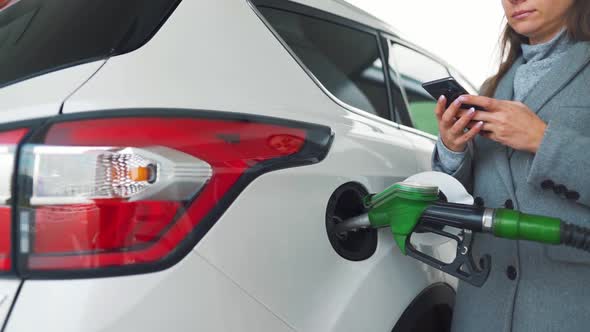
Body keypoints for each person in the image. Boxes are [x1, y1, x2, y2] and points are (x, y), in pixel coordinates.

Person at [431, 0, 590, 331]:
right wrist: (453, 149)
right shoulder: (493, 85)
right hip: (483, 305)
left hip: (567, 307)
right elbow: (462, 199)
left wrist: (542, 140)